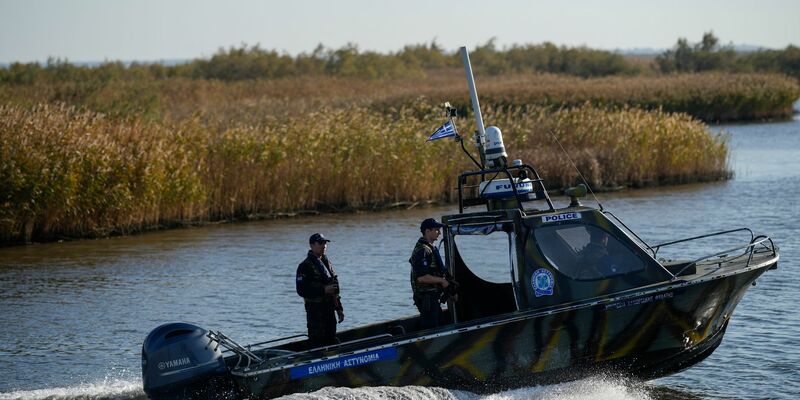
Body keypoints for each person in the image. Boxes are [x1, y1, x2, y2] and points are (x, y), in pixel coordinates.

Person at [296, 233, 344, 348]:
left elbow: (334, 288)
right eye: (320, 243)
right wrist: (323, 289)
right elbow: (301, 290)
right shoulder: (305, 266)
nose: (324, 245)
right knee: (317, 343)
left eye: (325, 243)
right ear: (312, 245)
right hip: (315, 312)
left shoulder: (326, 262)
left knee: (331, 339)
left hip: (329, 310)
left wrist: (339, 308)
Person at [409, 218, 455, 330]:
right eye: (436, 230)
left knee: (440, 325)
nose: (439, 232)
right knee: (431, 330)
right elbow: (422, 278)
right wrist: (442, 281)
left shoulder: (430, 248)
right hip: (426, 298)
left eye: (439, 230)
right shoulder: (423, 250)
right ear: (427, 231)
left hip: (432, 297)